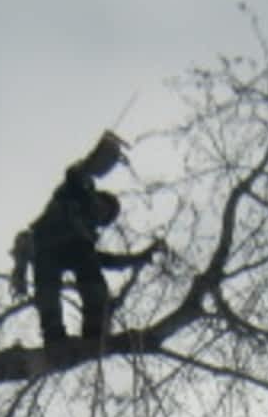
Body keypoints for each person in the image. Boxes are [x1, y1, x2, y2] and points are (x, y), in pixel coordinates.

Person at [11, 132, 159, 344]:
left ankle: (94, 332)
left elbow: (106, 260)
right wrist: (103, 155)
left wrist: (139, 258)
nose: (100, 214)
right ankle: (54, 336)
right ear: (99, 199)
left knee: (93, 282)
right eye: (103, 209)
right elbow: (75, 174)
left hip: (73, 249)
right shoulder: (76, 194)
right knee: (48, 289)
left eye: (105, 217)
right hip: (47, 243)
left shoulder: (86, 232)